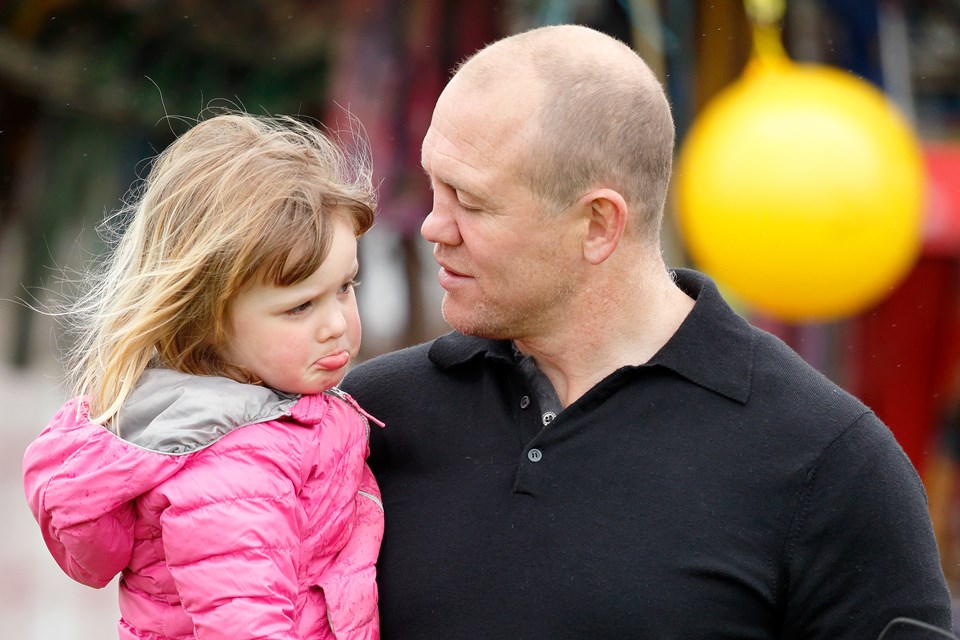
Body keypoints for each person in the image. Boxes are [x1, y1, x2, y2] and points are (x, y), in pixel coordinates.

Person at [340, 24, 953, 639]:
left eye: (470, 202)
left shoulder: (831, 462)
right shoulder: (370, 419)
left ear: (599, 224)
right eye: (433, 187)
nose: (432, 227)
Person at [22, 112, 383, 640]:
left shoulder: (270, 413)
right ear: (208, 315)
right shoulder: (235, 462)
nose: (336, 325)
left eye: (345, 287)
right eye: (299, 307)